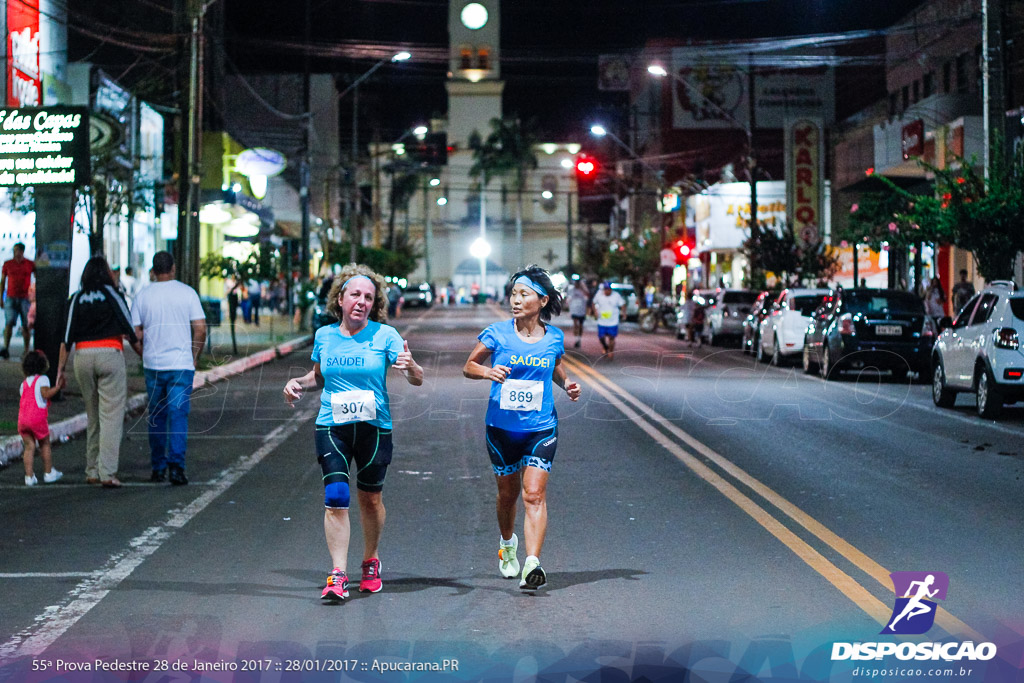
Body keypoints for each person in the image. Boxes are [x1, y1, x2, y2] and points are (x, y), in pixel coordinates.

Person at [282, 264, 423, 602]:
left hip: (375, 429)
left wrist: (411, 367)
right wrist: (296, 383)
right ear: (341, 299)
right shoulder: (324, 336)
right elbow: (319, 377)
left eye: (369, 297)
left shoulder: (385, 336)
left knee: (370, 499)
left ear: (375, 305)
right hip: (332, 425)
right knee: (336, 497)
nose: (362, 301)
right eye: (356, 295)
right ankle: (338, 574)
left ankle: (370, 561)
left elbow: (415, 378)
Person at [463, 265, 581, 591]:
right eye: (513, 294)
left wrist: (567, 383)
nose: (515, 300)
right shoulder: (497, 333)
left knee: (533, 494)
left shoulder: (554, 337)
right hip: (501, 428)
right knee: (508, 495)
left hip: (541, 427)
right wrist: (488, 373)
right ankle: (507, 544)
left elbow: (556, 367)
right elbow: (469, 366)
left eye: (523, 294)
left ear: (542, 300)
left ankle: (532, 564)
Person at [57, 256, 142, 488]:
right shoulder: (113, 295)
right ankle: (107, 472)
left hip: (82, 357)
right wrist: (142, 352)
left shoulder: (76, 298)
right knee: (111, 416)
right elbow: (128, 327)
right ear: (107, 274)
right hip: (109, 354)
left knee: (92, 415)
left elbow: (66, 339)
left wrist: (60, 371)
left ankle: (92, 469)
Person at [132, 251, 207, 486]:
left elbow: (134, 333)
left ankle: (158, 467)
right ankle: (176, 467)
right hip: (181, 365)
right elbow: (201, 328)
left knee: (156, 416)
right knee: (178, 416)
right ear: (173, 268)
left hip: (153, 365)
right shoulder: (187, 293)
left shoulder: (142, 295)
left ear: (153, 271)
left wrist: (143, 353)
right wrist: (194, 356)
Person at [19, 350, 65, 486]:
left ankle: (29, 476)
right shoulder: (43, 379)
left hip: (22, 419)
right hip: (37, 418)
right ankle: (48, 472)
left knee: (29, 446)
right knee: (44, 444)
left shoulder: (24, 384)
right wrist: (57, 388)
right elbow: (45, 394)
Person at [1, 242, 34, 359]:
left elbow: (38, 277)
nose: (17, 253)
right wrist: (1, 298)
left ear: (23, 251)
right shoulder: (8, 264)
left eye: (19, 250)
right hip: (10, 297)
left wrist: (33, 295)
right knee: (9, 323)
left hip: (25, 298)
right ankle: (6, 348)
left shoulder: (30, 264)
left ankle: (26, 350)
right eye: (15, 250)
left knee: (26, 325)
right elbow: (3, 281)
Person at [589, 282, 626, 360]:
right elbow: (593, 303)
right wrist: (595, 311)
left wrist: (624, 313)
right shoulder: (599, 295)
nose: (607, 291)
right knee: (601, 337)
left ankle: (611, 351)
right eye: (605, 289)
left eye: (608, 289)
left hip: (613, 321)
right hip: (602, 321)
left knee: (612, 337)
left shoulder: (616, 296)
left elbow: (622, 304)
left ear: (611, 289)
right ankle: (606, 347)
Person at [567, 278, 589, 349]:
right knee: (575, 324)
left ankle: (579, 338)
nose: (576, 284)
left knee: (580, 326)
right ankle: (576, 339)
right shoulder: (571, 290)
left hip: (582, 310)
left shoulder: (583, 290)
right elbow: (568, 298)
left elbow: (588, 295)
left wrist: (583, 287)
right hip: (574, 310)